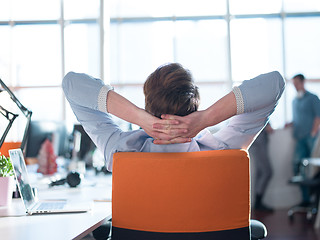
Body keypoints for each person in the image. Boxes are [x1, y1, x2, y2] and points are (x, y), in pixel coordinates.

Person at [62, 63, 285, 173]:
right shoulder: (225, 150)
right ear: (195, 103)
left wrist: (141, 118)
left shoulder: (118, 150)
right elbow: (274, 84)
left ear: (148, 105)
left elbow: (71, 84)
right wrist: (206, 118)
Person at [286, 73, 320, 207]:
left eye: (296, 83)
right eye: (293, 84)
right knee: (298, 166)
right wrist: (290, 124)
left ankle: (314, 199)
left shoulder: (313, 98)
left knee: (313, 168)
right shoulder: (295, 101)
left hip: (311, 138)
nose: (295, 86)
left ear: (302, 82)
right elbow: (297, 119)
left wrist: (312, 133)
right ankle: (306, 199)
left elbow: (318, 117)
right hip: (299, 138)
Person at [249, 123, 274, 212]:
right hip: (258, 137)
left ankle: (258, 202)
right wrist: (267, 125)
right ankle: (258, 202)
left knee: (261, 172)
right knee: (267, 172)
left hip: (256, 136)